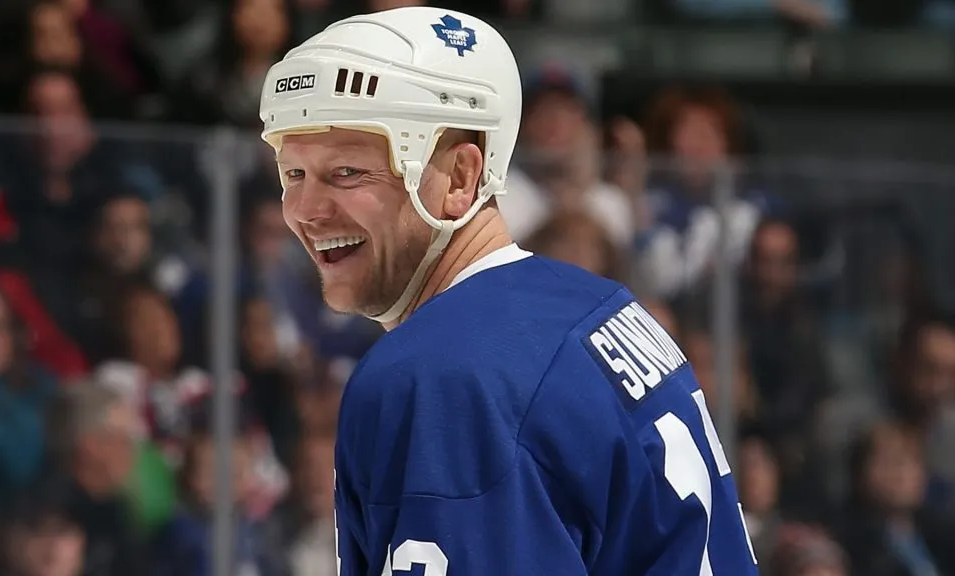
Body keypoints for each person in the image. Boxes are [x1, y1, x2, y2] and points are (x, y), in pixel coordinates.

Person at [258, 6, 758, 575]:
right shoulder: (598, 305)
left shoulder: (445, 375)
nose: (305, 211)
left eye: (348, 172)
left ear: (460, 177)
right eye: (293, 174)